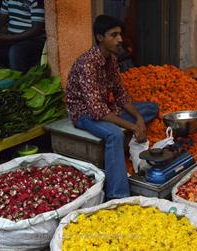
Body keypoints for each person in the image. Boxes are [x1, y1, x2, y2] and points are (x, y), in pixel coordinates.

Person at [66, 15, 159, 200]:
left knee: (150, 108)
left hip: (106, 108)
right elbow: (96, 110)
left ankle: (131, 146)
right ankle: (117, 194)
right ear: (100, 37)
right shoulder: (88, 64)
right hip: (83, 114)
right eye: (114, 35)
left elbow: (121, 94)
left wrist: (139, 118)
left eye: (120, 34)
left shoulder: (112, 60)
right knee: (114, 134)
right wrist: (133, 127)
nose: (120, 40)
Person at [0, 0, 45, 72]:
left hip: (34, 41)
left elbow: (36, 30)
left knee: (15, 51)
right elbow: (1, 19)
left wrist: (7, 38)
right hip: (11, 40)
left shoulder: (36, 2)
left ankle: (19, 77)